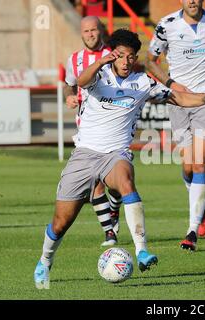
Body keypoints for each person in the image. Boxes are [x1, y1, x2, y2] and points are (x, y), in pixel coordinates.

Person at [34, 28, 205, 289]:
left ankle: (141, 250)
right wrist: (99, 62)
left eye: (131, 57)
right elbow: (82, 82)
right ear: (112, 55)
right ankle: (45, 261)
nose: (126, 62)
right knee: (61, 222)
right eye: (121, 56)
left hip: (116, 153)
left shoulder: (143, 82)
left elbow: (180, 98)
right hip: (85, 154)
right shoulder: (100, 75)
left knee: (126, 182)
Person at [146, 0, 205, 251]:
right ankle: (201, 203)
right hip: (177, 101)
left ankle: (192, 230)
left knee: (199, 162)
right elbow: (150, 61)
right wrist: (172, 84)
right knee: (188, 167)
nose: (192, 0)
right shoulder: (167, 25)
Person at [64, 16, 122, 247]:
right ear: (81, 33)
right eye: (86, 31)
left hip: (113, 126)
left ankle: (115, 209)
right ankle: (109, 231)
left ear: (101, 31)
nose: (90, 34)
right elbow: (70, 83)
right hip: (86, 130)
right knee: (94, 181)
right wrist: (69, 95)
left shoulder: (114, 55)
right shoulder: (75, 59)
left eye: (93, 30)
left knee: (116, 183)